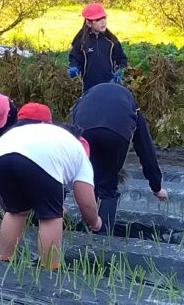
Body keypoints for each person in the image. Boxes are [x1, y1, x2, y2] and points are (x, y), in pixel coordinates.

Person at [0, 122, 102, 269]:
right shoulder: (81, 155)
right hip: (40, 155)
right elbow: (86, 202)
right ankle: (49, 270)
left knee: (15, 211)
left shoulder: (52, 135)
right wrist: (95, 222)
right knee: (50, 217)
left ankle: (5, 261)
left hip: (2, 150)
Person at [70, 83, 168, 234]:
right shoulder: (131, 105)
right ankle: (102, 238)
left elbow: (73, 126)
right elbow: (145, 149)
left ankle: (88, 230)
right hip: (116, 135)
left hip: (84, 133)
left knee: (88, 180)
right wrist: (156, 186)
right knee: (108, 188)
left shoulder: (83, 100)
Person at [68, 3, 128, 93]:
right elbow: (75, 59)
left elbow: (122, 59)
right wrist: (74, 67)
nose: (103, 22)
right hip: (88, 89)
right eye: (98, 19)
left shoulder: (111, 41)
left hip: (110, 87)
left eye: (104, 18)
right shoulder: (81, 42)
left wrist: (120, 70)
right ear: (88, 23)